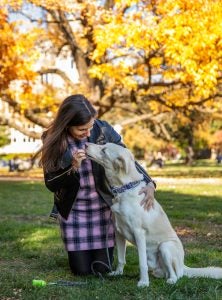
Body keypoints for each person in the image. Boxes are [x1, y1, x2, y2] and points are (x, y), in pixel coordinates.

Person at [40, 94, 156, 276]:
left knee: (102, 269)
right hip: (74, 211)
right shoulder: (52, 138)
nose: (87, 133)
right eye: (81, 129)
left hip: (103, 208)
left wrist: (149, 182)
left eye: (90, 126)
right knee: (82, 271)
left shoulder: (103, 130)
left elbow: (126, 158)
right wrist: (72, 168)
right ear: (67, 124)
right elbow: (51, 183)